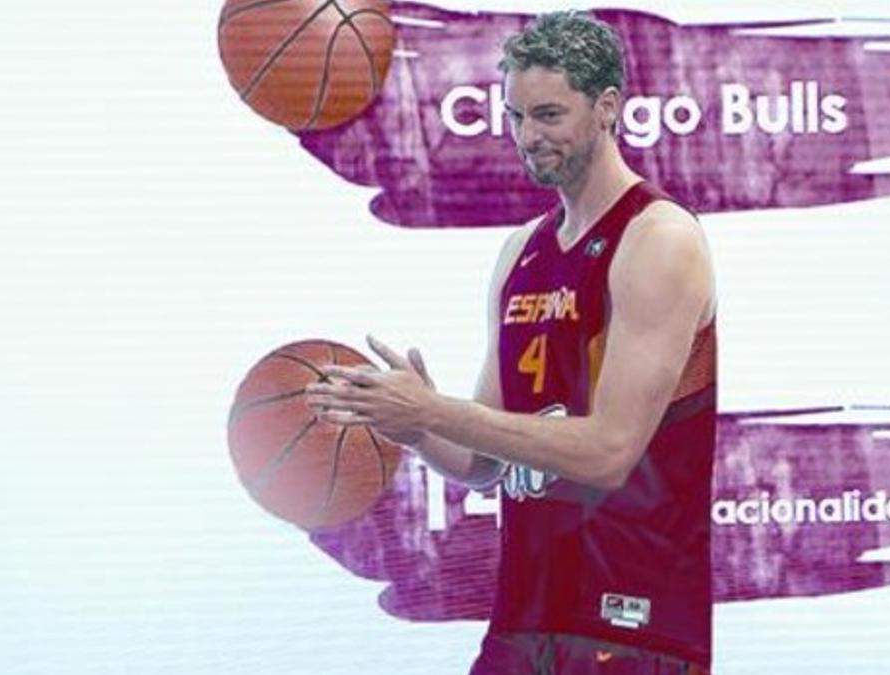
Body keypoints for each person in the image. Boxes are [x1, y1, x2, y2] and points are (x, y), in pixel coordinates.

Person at [307, 10, 717, 674]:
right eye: (517, 117)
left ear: (608, 107)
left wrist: (433, 411)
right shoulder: (520, 252)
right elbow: (482, 459)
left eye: (550, 115)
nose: (529, 137)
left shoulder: (657, 237)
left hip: (633, 623)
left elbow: (610, 450)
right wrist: (402, 420)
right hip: (527, 620)